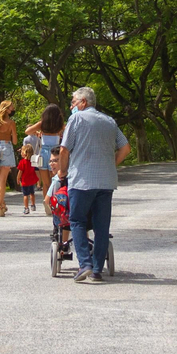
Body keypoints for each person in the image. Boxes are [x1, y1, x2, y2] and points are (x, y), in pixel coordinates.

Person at [54, 86, 131, 285]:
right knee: (101, 225)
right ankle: (97, 270)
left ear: (83, 102)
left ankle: (84, 264)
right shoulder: (109, 121)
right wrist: (111, 164)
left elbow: (64, 150)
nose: (71, 106)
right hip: (106, 181)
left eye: (73, 102)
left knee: (77, 221)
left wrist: (62, 172)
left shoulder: (76, 119)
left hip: (81, 181)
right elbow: (125, 147)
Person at [28, 104, 64, 210]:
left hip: (43, 152)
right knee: (55, 180)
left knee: (45, 183)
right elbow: (69, 131)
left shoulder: (42, 124)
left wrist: (38, 132)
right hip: (55, 152)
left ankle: (47, 204)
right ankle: (54, 204)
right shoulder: (60, 125)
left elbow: (27, 131)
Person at [17, 145, 39, 215]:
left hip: (25, 181)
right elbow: (36, 171)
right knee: (32, 193)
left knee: (25, 195)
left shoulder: (22, 162)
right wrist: (38, 181)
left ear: (25, 153)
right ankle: (33, 205)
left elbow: (20, 172)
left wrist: (18, 179)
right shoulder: (33, 162)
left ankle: (26, 208)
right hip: (32, 180)